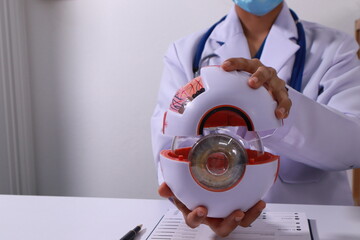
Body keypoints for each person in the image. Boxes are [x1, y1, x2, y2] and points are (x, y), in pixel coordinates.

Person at [151, 0, 360, 237]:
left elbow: (355, 147)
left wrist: (279, 108)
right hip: (211, 228)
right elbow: (168, 148)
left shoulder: (335, 47)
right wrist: (187, 199)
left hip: (316, 225)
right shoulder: (186, 52)